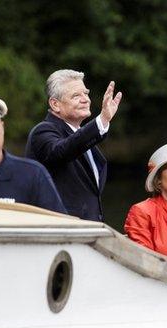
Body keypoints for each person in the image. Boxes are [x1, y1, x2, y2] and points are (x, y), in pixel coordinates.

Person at [25, 69, 122, 221]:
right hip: (61, 231)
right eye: (76, 96)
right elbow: (63, 150)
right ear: (55, 104)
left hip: (88, 231)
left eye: (86, 93)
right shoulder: (43, 131)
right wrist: (101, 120)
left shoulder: (82, 136)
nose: (86, 99)